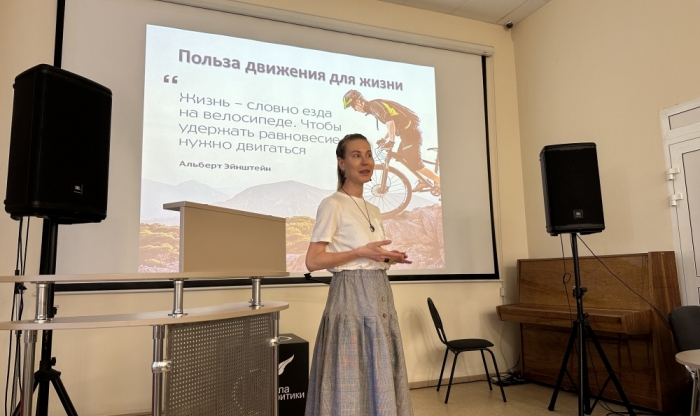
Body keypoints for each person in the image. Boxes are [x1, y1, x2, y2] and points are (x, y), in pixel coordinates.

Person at [304, 133, 414, 416]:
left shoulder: (373, 209)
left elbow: (367, 254)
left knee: (378, 368)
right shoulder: (333, 204)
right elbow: (313, 261)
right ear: (342, 163)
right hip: (350, 295)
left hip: (379, 292)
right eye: (356, 155)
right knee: (351, 372)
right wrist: (360, 253)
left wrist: (387, 257)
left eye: (368, 155)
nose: (365, 161)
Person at [343, 89, 440, 193]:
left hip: (411, 134)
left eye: (353, 107)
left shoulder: (375, 105)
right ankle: (423, 181)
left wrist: (391, 141)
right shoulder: (374, 107)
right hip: (407, 134)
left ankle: (440, 182)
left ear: (358, 102)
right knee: (401, 157)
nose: (355, 110)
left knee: (416, 164)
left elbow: (390, 121)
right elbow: (392, 124)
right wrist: (384, 139)